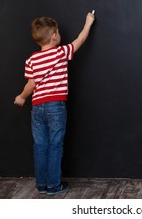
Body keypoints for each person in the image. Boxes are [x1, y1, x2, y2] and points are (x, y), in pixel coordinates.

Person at [14, 12, 95, 195]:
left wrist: (22, 96)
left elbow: (31, 84)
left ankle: (41, 184)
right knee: (55, 145)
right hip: (55, 107)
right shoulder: (60, 53)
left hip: (37, 108)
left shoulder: (32, 60)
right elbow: (80, 40)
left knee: (40, 146)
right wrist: (88, 22)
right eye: (58, 32)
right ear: (54, 36)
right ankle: (53, 185)